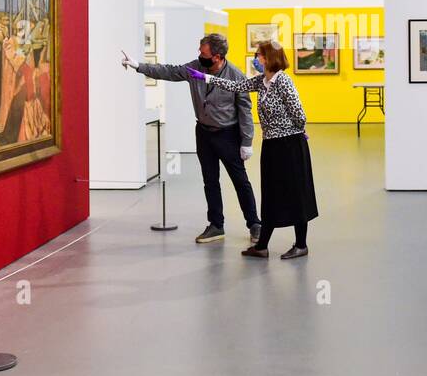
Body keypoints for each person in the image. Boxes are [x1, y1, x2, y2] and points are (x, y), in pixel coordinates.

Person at [121, 33, 260, 244]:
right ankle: (216, 225)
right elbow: (169, 71)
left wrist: (247, 142)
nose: (199, 55)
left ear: (217, 56)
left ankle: (254, 224)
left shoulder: (236, 77)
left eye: (203, 52)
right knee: (210, 181)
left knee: (240, 181)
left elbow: (245, 112)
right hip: (204, 133)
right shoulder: (196, 67)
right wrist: (138, 66)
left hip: (228, 135)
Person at [187, 39, 318, 260]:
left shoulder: (283, 81)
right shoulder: (262, 81)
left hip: (290, 144)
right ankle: (262, 246)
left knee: (295, 193)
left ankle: (301, 244)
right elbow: (236, 86)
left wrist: (299, 130)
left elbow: (299, 114)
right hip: (271, 145)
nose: (256, 58)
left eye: (258, 55)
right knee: (270, 193)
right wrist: (207, 77)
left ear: (268, 58)